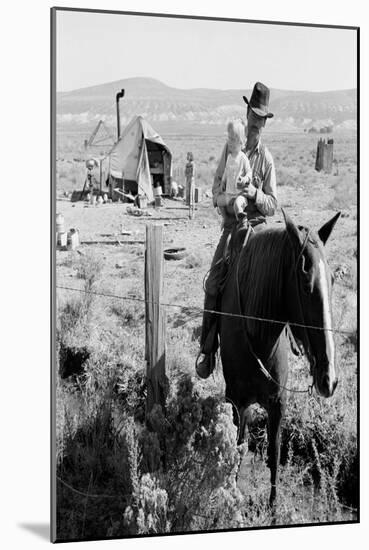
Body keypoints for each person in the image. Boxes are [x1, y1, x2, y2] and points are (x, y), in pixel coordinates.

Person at [196, 82, 278, 379]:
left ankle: (292, 347)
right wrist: (223, 200)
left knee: (280, 285)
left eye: (261, 119)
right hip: (232, 227)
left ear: (265, 122)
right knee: (214, 281)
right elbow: (215, 188)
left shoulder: (266, 159)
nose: (256, 123)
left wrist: (255, 192)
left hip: (256, 230)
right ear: (246, 113)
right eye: (253, 116)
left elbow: (272, 205)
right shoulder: (230, 150)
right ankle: (208, 349)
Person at [216, 120, 253, 221]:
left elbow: (249, 172)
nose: (229, 142)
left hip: (239, 194)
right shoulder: (229, 157)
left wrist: (245, 178)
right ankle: (225, 219)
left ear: (241, 142)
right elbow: (226, 172)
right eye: (229, 138)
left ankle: (241, 222)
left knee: (238, 206)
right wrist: (222, 182)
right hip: (229, 193)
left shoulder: (243, 158)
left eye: (233, 139)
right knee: (219, 201)